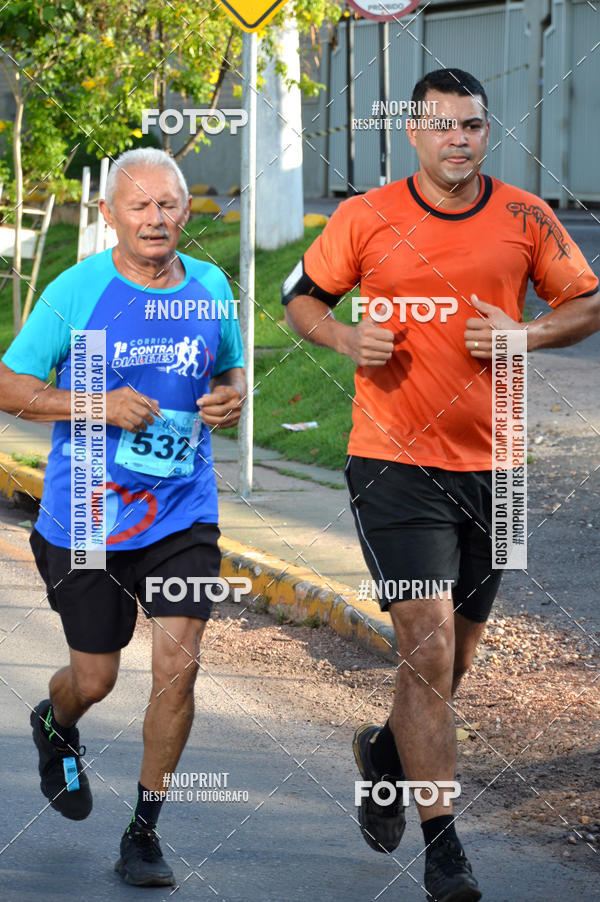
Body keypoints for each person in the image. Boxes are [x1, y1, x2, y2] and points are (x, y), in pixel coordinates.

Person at [281, 68, 599, 902]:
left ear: (486, 134)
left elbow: (588, 303)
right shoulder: (367, 215)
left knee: (454, 660)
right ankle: (446, 847)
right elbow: (302, 300)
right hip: (393, 462)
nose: (459, 139)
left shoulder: (527, 216)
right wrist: (347, 340)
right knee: (423, 649)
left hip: (498, 467)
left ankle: (384, 756)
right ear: (413, 133)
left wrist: (526, 334)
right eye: (443, 126)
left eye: (473, 126)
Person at [0, 148, 246, 887]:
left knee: (179, 668)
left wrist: (232, 397)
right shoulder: (75, 292)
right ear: (109, 215)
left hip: (181, 514)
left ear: (184, 211)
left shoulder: (210, 285)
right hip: (85, 517)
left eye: (169, 204)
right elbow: (9, 385)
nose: (156, 218)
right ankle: (55, 723)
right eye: (139, 206)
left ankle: (143, 833)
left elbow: (229, 366)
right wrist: (96, 405)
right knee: (96, 678)